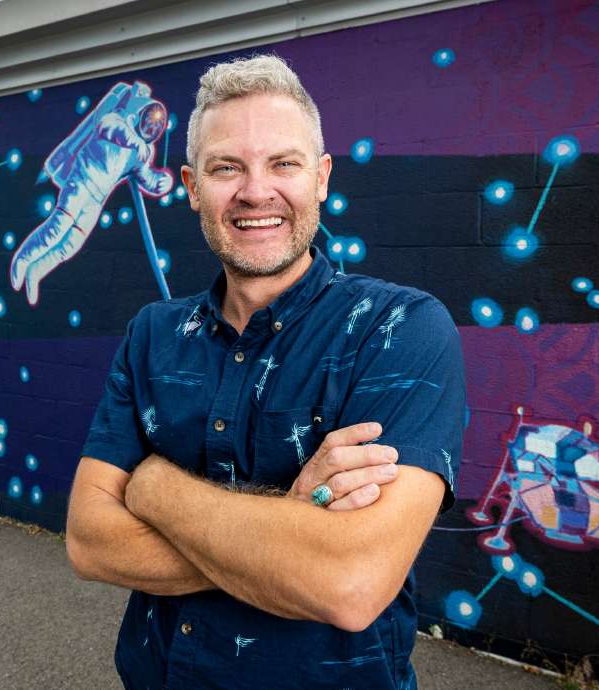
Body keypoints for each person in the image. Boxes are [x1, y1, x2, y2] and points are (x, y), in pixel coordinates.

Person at [65, 54, 466, 690]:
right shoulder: (152, 335)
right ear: (193, 187)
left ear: (322, 178)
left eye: (284, 163)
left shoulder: (400, 330)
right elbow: (90, 542)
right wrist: (292, 523)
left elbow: (350, 583)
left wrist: (151, 489)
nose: (256, 191)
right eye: (228, 168)